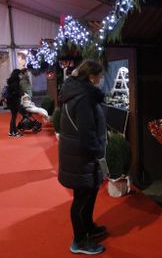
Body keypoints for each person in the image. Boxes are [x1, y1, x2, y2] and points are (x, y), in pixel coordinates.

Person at [58, 60, 108, 255]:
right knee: (81, 199)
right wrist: (98, 152)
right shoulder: (84, 97)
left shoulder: (76, 92)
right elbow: (86, 133)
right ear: (91, 77)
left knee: (89, 193)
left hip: (79, 155)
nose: (102, 80)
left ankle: (89, 228)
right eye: (100, 76)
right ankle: (79, 241)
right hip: (82, 157)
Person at [6, 69, 23, 137]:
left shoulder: (11, 81)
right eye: (20, 74)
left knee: (13, 117)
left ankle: (13, 131)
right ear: (17, 75)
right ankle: (13, 132)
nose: (20, 75)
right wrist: (20, 93)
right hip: (14, 101)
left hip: (11, 102)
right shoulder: (15, 83)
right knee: (14, 117)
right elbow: (16, 93)